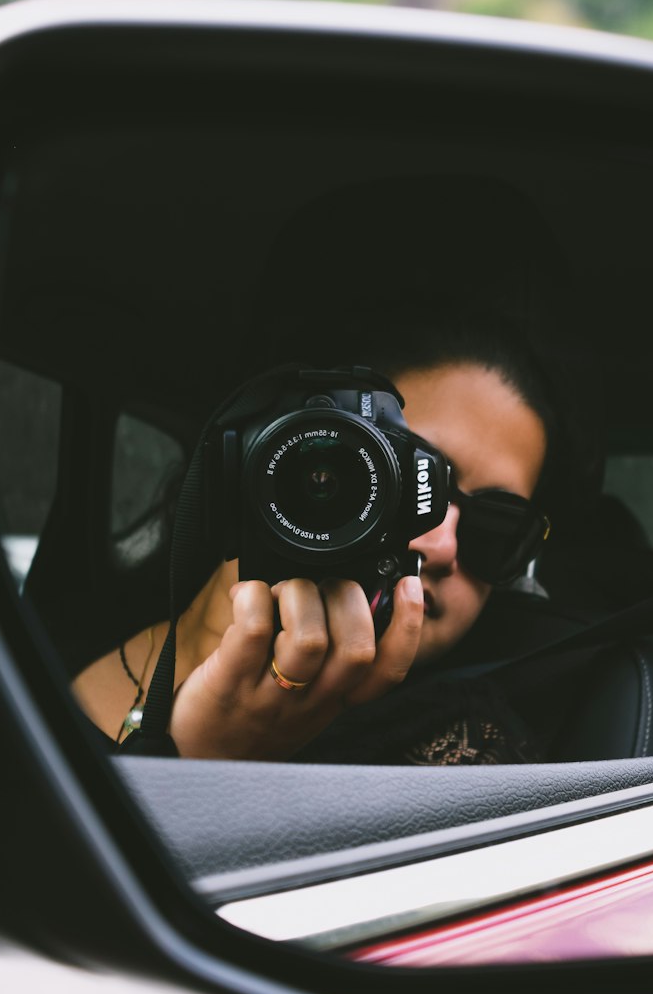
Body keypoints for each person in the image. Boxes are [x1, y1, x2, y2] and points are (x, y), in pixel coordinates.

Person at [72, 307, 580, 764]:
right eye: (410, 478)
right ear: (284, 439)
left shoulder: (469, 754)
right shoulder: (44, 624)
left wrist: (217, 761)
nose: (442, 543)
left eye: (496, 528)